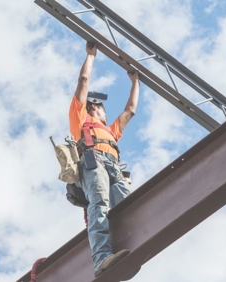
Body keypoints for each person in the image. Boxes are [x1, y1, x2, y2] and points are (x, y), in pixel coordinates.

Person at [69, 41, 140, 280]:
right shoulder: (80, 118)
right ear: (94, 107)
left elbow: (130, 111)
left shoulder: (110, 131)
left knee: (130, 206)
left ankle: (132, 248)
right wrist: (90, 56)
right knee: (99, 204)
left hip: (112, 166)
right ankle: (102, 259)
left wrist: (135, 82)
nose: (105, 111)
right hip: (93, 161)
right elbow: (83, 82)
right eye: (101, 107)